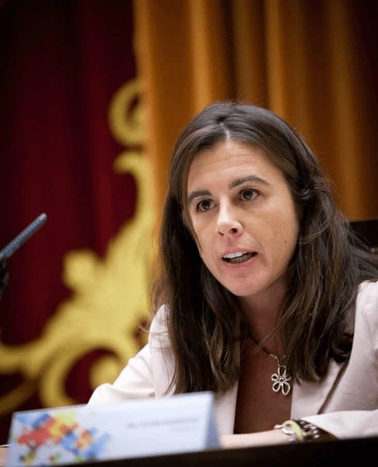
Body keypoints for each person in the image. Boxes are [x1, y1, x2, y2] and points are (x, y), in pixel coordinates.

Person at [88, 101, 378, 448]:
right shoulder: (180, 329)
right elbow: (86, 436)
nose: (224, 223)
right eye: (205, 205)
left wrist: (292, 436)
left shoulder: (370, 313)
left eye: (248, 194)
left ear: (303, 202)